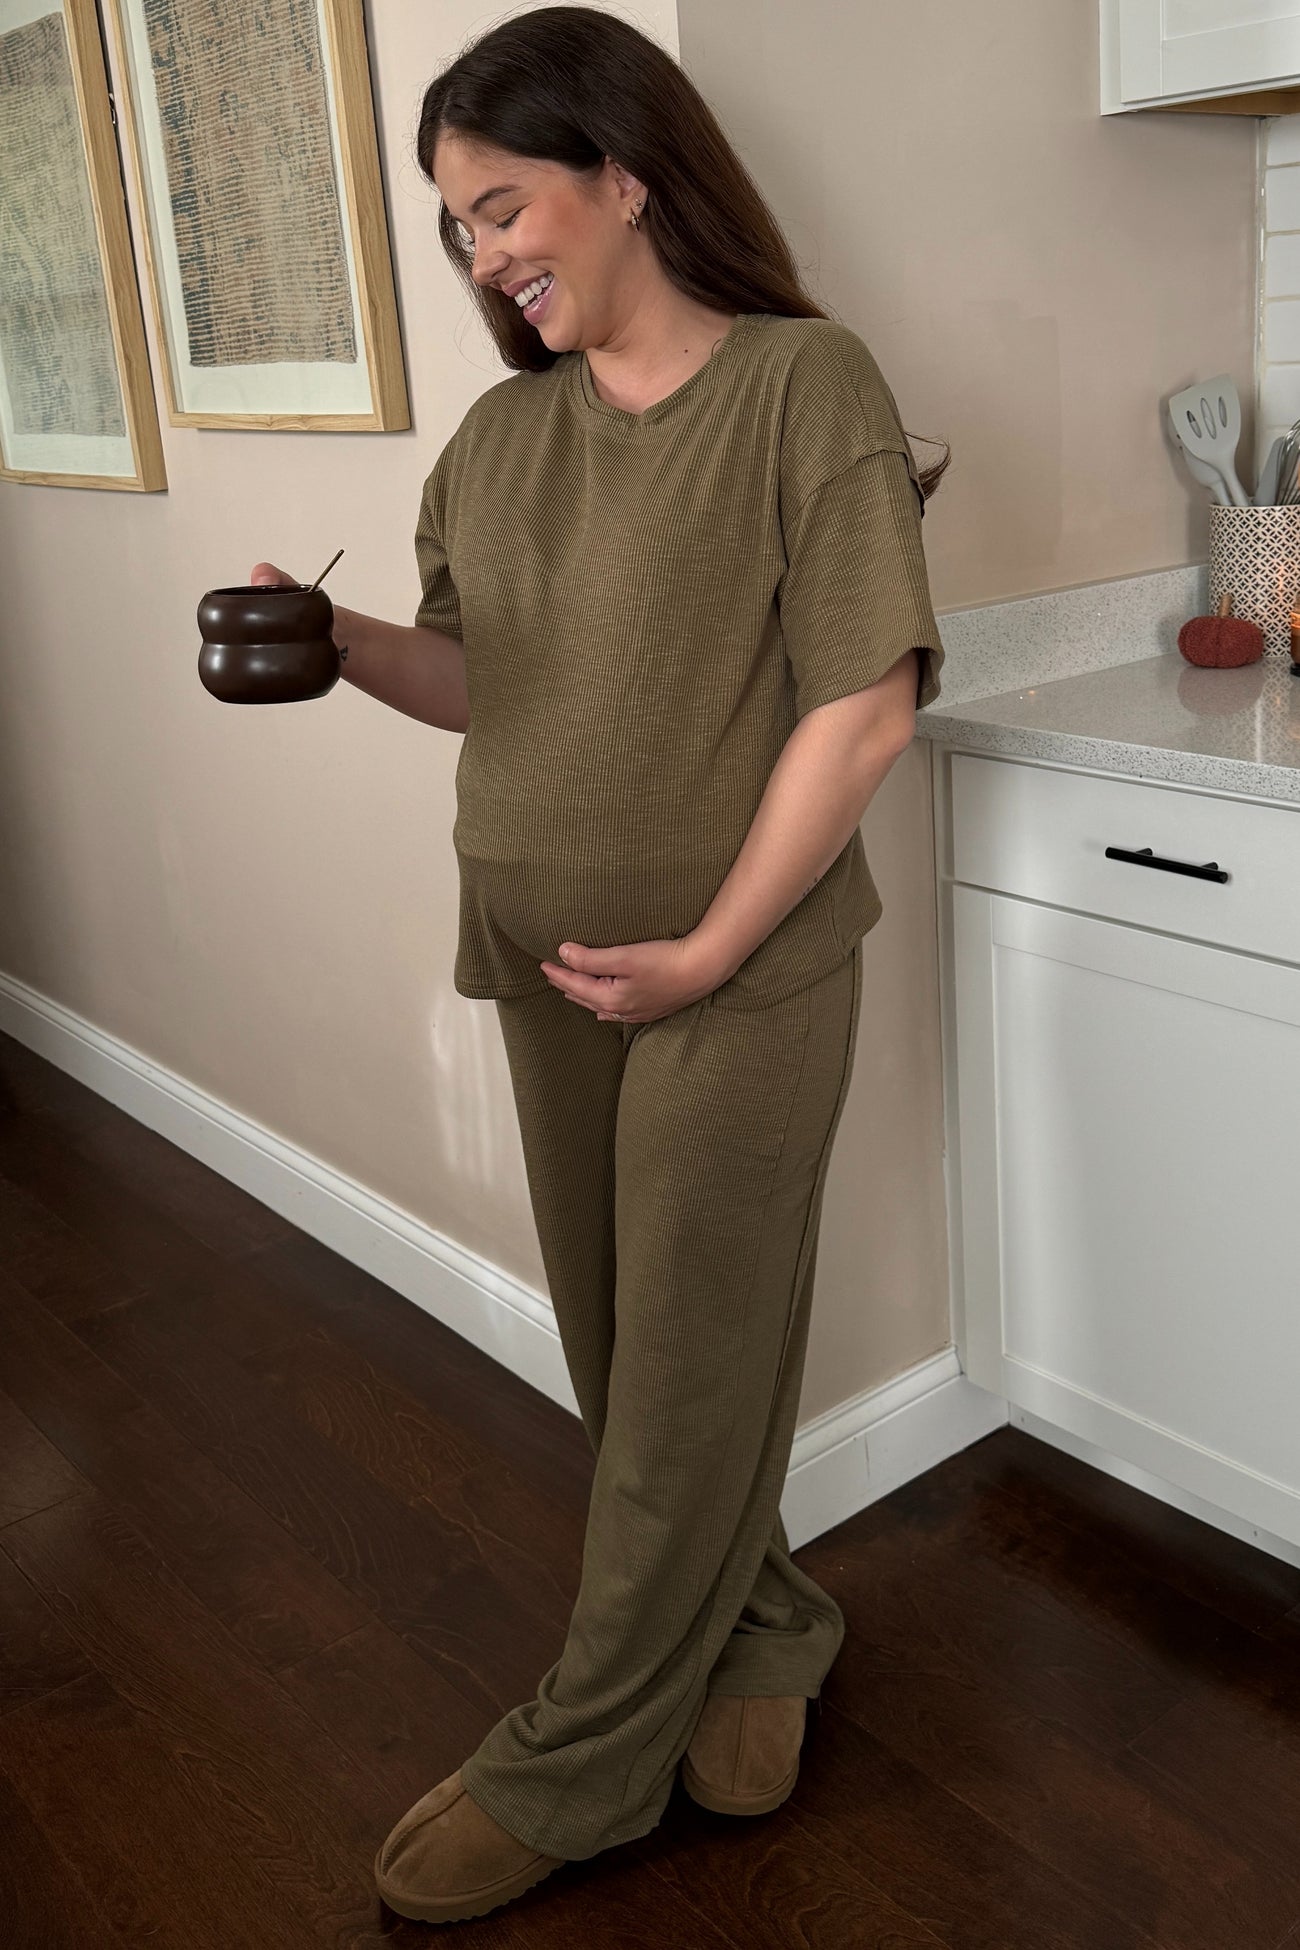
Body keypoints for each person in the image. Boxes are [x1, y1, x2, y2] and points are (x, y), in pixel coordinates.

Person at [254, 4, 948, 1927]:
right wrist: (342, 643)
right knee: (633, 1358)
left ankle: (578, 1759)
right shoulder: (501, 439)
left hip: (748, 967)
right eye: (458, 228)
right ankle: (769, 1624)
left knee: (691, 1362)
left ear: (627, 174)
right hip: (539, 955)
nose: (483, 256)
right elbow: (487, 680)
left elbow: (866, 704)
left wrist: (712, 944)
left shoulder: (805, 386)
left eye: (503, 207)